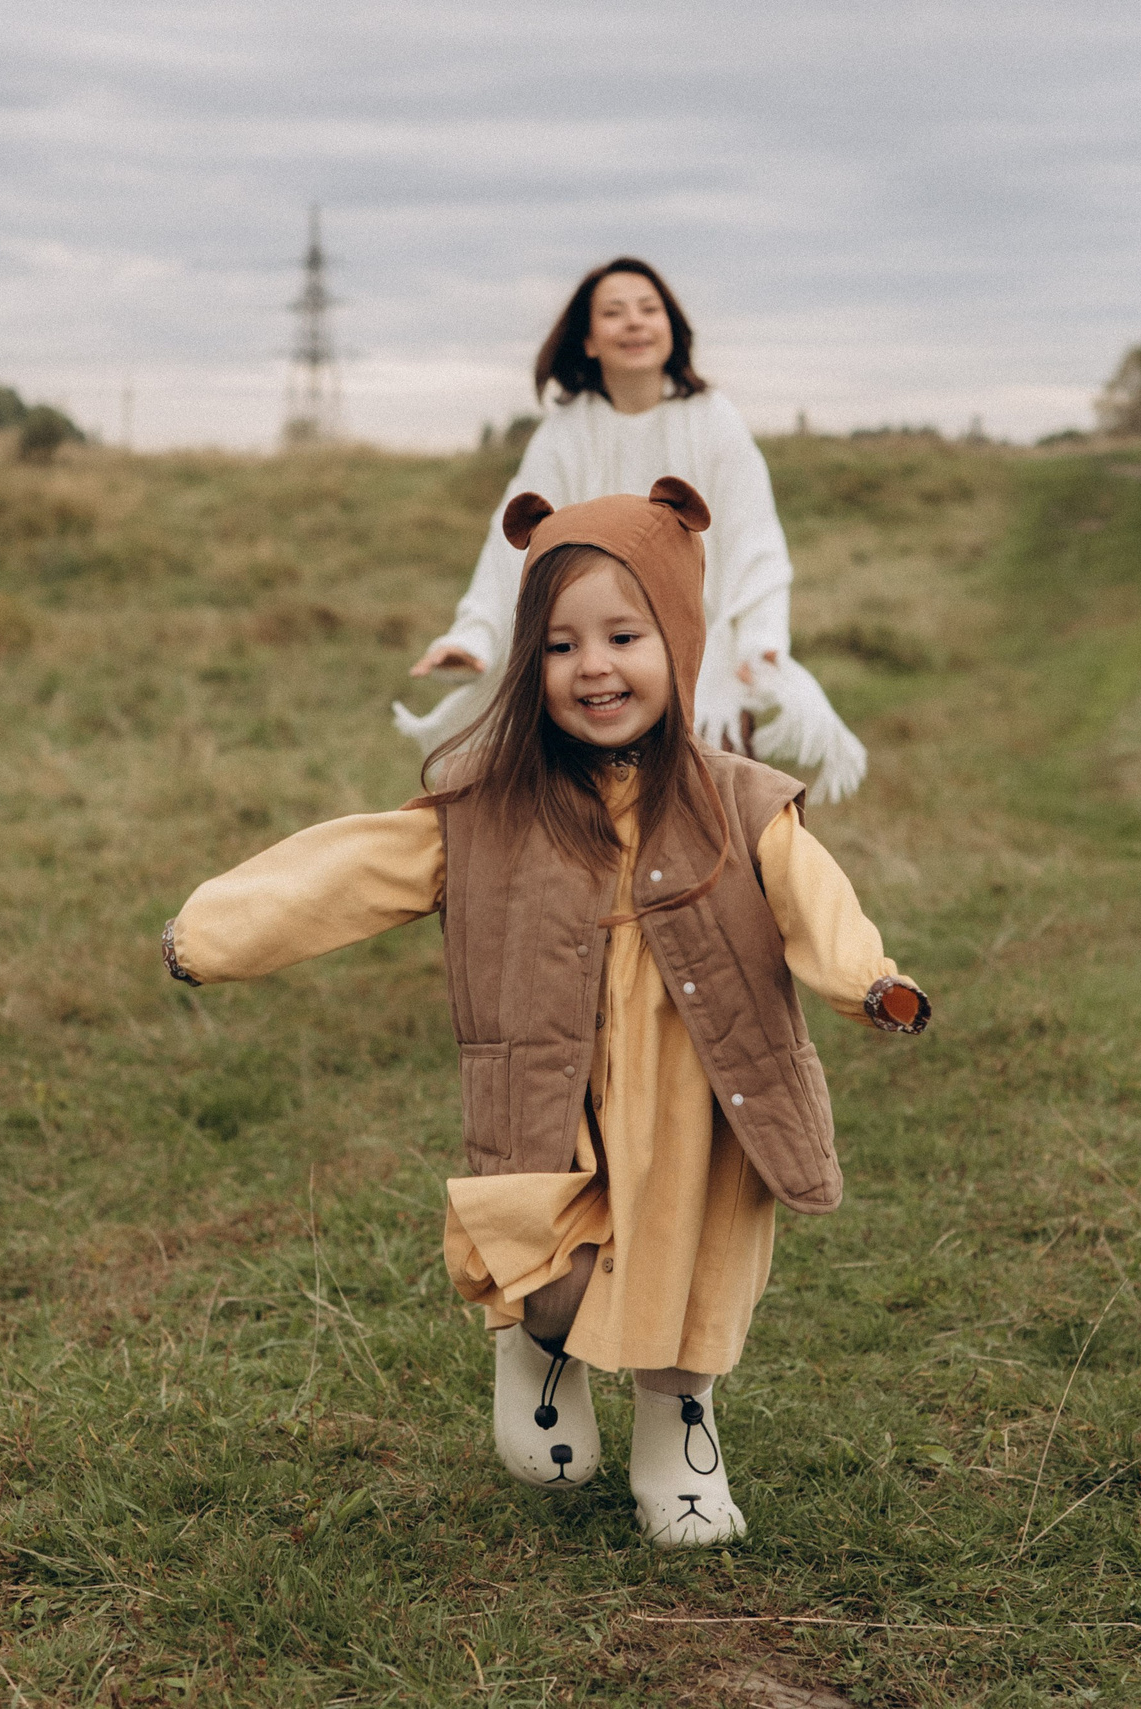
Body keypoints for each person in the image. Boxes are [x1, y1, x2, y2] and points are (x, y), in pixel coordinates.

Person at [167, 478, 927, 1547]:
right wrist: (214, 933)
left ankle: (680, 1432)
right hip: (550, 1080)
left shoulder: (739, 800)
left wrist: (869, 981)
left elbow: (815, 900)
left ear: (679, 642)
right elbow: (349, 868)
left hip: (704, 1089)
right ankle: (540, 1347)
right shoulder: (488, 807)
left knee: (689, 1265)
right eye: (563, 646)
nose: (595, 667)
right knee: (548, 1271)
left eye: (625, 633)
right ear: (533, 664)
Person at [395, 258, 867, 803]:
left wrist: (761, 638)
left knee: (714, 821)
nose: (635, 323)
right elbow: (520, 545)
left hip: (698, 658)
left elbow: (754, 539)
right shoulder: (566, 432)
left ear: (672, 328)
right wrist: (474, 636)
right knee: (582, 820)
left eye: (649, 309)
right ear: (589, 340)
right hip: (593, 656)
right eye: (614, 313)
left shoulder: (712, 419)